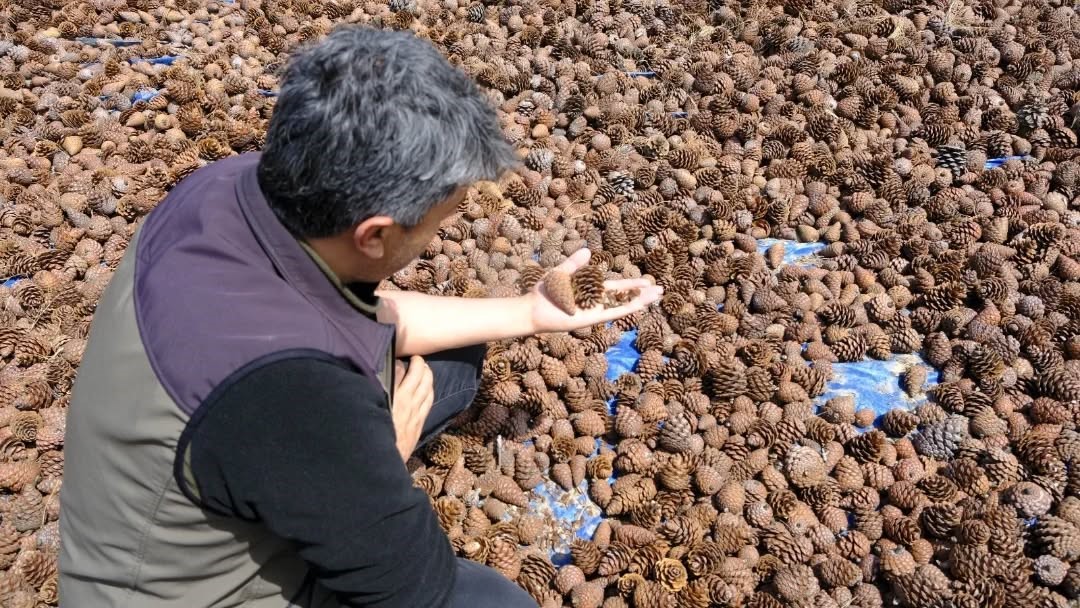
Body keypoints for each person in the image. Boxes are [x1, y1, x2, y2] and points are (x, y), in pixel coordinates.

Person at [57, 25, 661, 608]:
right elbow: (413, 587)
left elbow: (375, 319)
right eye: (441, 219)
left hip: (196, 461)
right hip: (190, 591)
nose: (441, 230)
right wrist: (387, 452)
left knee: (455, 359)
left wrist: (529, 311)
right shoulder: (294, 394)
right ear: (374, 235)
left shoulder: (225, 187)